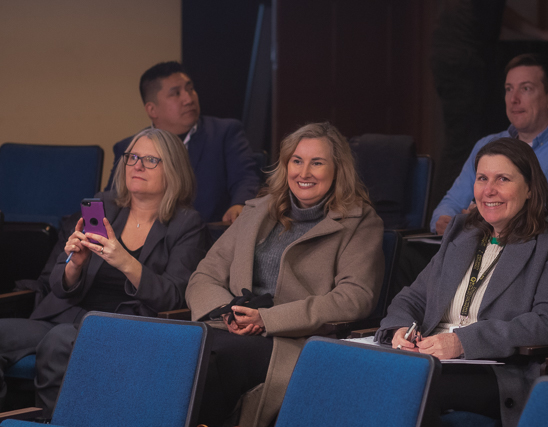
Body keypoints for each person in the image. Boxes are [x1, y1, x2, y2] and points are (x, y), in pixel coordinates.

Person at [0, 128, 210, 417]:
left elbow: (174, 297)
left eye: (150, 160)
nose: (137, 165)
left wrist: (125, 261)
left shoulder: (186, 224)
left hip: (122, 325)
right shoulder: (105, 205)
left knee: (61, 340)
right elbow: (58, 286)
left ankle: (52, 422)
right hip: (66, 313)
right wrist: (75, 264)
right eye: (132, 157)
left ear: (173, 169)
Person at [186, 122, 385, 427]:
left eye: (316, 163)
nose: (304, 172)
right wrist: (230, 313)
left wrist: (268, 319)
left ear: (337, 169)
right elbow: (205, 276)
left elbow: (355, 298)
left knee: (208, 359)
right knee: (176, 349)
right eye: (296, 160)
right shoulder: (257, 210)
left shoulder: (360, 221)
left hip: (294, 340)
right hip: (231, 329)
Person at [377, 138, 548, 426]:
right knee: (359, 371)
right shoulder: (463, 231)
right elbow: (411, 298)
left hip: (498, 371)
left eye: (503, 179)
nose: (489, 190)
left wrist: (462, 342)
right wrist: (401, 329)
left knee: (406, 388)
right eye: (482, 178)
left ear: (529, 188)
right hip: (430, 358)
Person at [431, 53, 548, 244]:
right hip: (480, 250)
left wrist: (493, 220)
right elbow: (447, 206)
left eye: (525, 88)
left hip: (542, 256)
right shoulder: (486, 145)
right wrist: (448, 222)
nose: (514, 99)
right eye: (509, 89)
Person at [105, 61, 261, 223]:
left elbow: (245, 178)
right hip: (150, 240)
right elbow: (114, 200)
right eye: (176, 94)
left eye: (190, 89)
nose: (188, 99)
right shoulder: (129, 148)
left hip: (210, 236)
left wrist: (239, 204)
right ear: (152, 110)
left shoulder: (225, 133)